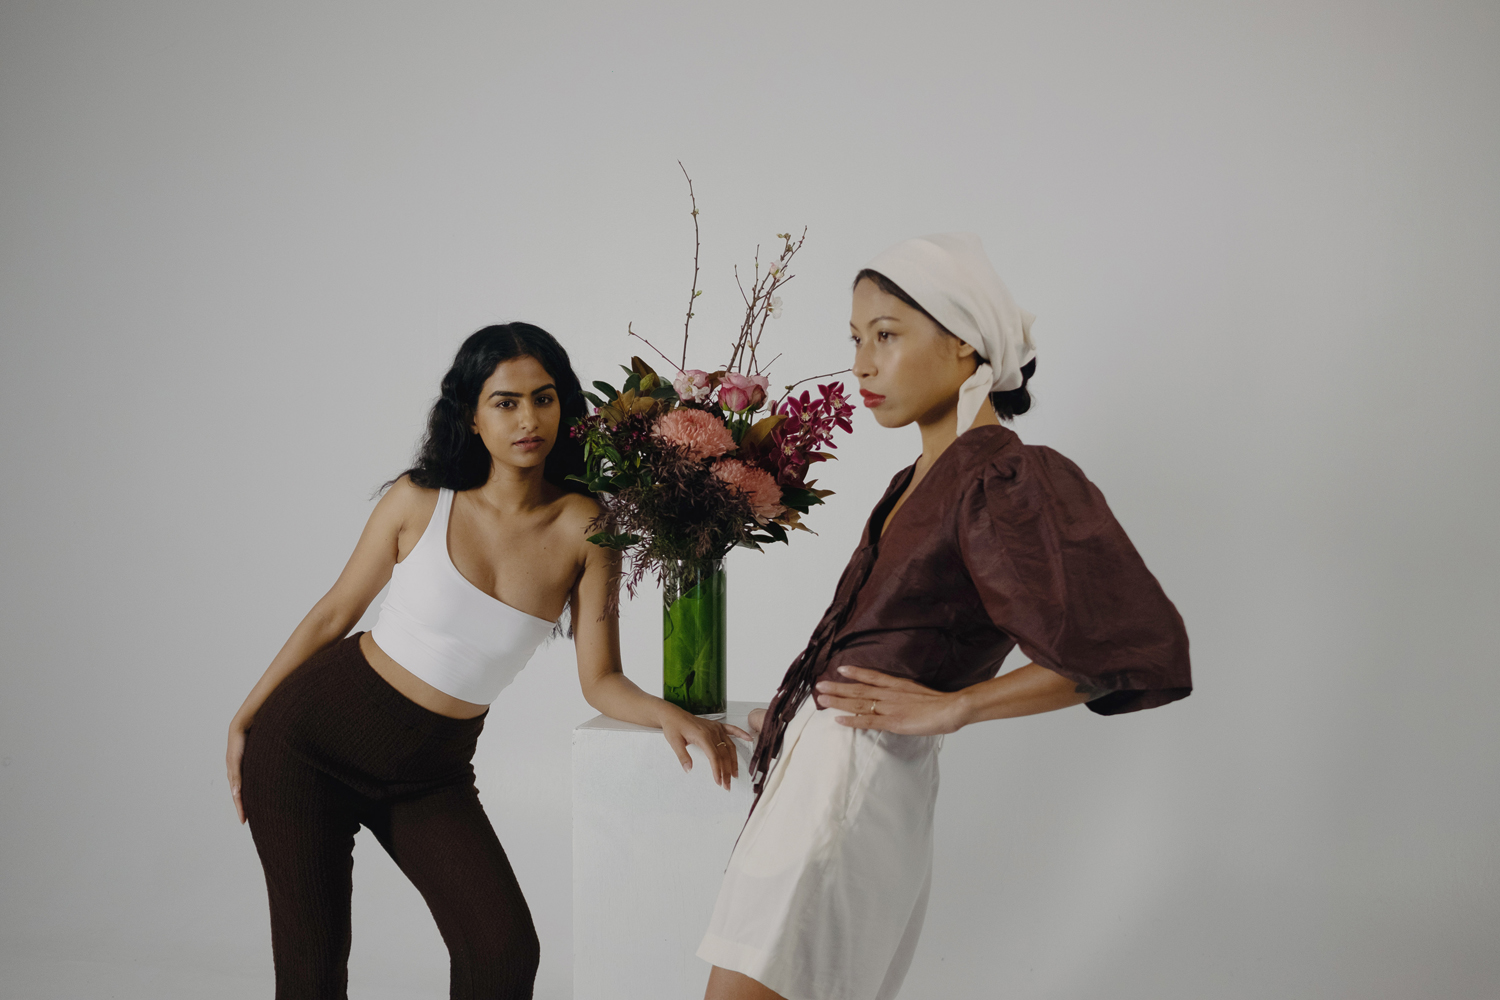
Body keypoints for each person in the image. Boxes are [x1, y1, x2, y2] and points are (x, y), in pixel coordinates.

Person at [697, 235, 1192, 1000]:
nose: (862, 365)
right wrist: (796, 712)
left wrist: (957, 707)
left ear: (964, 342)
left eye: (886, 335)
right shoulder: (915, 477)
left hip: (848, 786)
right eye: (856, 339)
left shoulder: (1002, 475)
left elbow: (1115, 648)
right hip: (828, 772)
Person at [226, 323, 749, 1000]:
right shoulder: (419, 499)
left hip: (430, 772)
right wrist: (248, 716)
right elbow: (334, 614)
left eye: (544, 398)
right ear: (471, 416)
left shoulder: (588, 527)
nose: (528, 419)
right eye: (505, 402)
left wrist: (668, 714)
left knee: (502, 952)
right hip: (307, 747)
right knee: (312, 974)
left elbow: (600, 680)